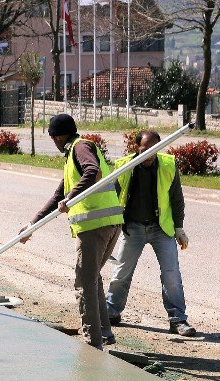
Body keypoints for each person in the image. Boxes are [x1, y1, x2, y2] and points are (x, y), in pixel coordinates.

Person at [19, 113, 123, 349]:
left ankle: (92, 342)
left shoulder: (81, 147)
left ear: (57, 137)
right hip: (110, 222)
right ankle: (105, 333)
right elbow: (59, 194)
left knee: (84, 283)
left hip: (94, 226)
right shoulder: (73, 155)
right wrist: (32, 224)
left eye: (53, 138)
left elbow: (92, 171)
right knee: (93, 278)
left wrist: (71, 197)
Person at [105, 130, 197, 336]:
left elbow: (177, 199)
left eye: (154, 149)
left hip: (161, 228)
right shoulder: (124, 166)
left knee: (171, 274)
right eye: (145, 150)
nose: (150, 154)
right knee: (121, 273)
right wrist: (109, 228)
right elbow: (111, 198)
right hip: (133, 228)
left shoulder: (168, 165)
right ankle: (111, 312)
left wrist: (179, 228)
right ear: (136, 148)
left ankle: (178, 320)